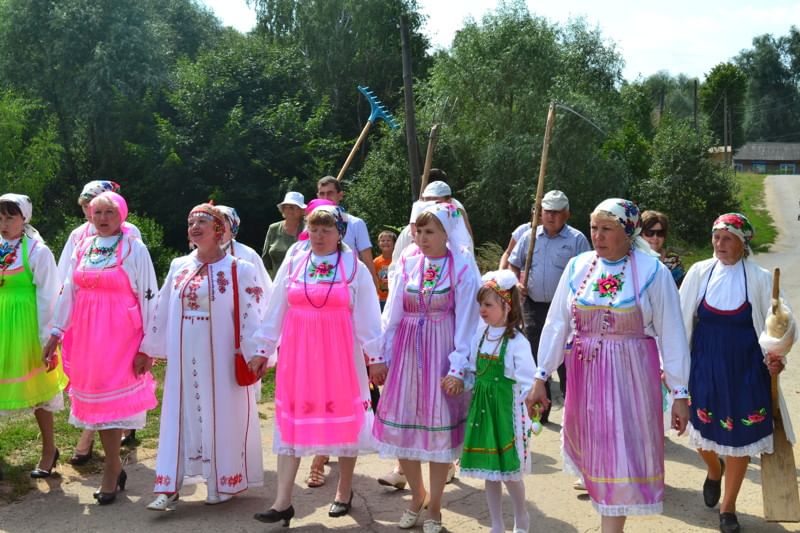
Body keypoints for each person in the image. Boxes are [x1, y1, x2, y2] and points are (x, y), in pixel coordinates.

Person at [525, 198, 690, 533]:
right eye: (593, 228)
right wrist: (541, 376)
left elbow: (673, 334)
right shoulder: (578, 267)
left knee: (618, 456)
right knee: (596, 456)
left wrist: (680, 393)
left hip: (629, 378)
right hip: (586, 378)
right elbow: (558, 324)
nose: (597, 236)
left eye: (606, 229)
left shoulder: (652, 272)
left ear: (627, 232)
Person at [251, 204, 383, 526]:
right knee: (292, 421)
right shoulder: (296, 259)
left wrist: (376, 357)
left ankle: (344, 490)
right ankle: (283, 502)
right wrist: (262, 348)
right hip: (298, 354)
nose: (319, 235)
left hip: (339, 355)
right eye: (314, 229)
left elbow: (368, 316)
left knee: (344, 421)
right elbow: (276, 306)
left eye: (327, 230)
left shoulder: (353, 266)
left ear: (340, 233)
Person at [142, 203, 268, 511]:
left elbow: (253, 313)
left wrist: (257, 352)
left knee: (221, 413)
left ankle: (221, 482)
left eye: (202, 222)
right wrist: (150, 349)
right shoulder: (178, 266)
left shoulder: (240, 269)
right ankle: (169, 485)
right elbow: (161, 307)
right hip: (185, 353)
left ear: (220, 230)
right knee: (179, 413)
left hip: (222, 355)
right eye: (191, 223)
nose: (195, 227)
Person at [679, 213, 795, 533]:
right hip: (705, 368)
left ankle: (728, 508)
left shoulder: (759, 279)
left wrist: (776, 355)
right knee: (702, 433)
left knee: (740, 438)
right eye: (716, 237)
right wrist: (673, 368)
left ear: (743, 243)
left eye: (728, 238)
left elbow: (782, 323)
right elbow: (679, 319)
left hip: (746, 371)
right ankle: (713, 470)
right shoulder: (699, 273)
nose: (720, 244)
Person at [44, 191, 158, 505]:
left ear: (121, 215)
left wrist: (147, 347)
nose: (103, 218)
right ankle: (114, 464)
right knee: (97, 401)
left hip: (121, 334)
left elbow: (150, 296)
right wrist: (55, 333)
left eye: (109, 212)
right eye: (98, 212)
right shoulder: (83, 246)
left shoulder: (134, 248)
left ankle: (111, 466)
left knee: (112, 402)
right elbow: (69, 291)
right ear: (90, 216)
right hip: (86, 334)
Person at [373, 203, 480, 533]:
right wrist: (382, 354)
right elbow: (393, 311)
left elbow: (466, 321)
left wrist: (458, 366)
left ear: (447, 233)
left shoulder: (461, 267)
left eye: (430, 232)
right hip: (407, 350)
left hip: (441, 351)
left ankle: (435, 506)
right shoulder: (406, 260)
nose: (421, 238)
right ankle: (416, 494)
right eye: (418, 231)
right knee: (402, 425)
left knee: (438, 433)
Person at [57, 180, 142, 464]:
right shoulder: (79, 238)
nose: (97, 215)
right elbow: (66, 280)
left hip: (116, 326)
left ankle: (96, 446)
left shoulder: (130, 239)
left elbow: (143, 287)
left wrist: (148, 341)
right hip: (84, 323)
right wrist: (57, 326)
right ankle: (100, 443)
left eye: (107, 209)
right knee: (89, 382)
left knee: (110, 382)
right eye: (89, 207)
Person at [456, 270, 535, 533]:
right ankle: (496, 523)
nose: (482, 310)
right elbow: (473, 371)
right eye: (481, 304)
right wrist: (460, 382)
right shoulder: (479, 338)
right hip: (482, 411)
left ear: (506, 306)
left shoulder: (516, 341)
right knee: (489, 472)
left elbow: (527, 381)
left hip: (506, 413)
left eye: (488, 304)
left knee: (510, 473)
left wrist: (529, 413)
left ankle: (521, 518)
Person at [508, 190, 590, 423]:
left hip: (565, 310)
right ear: (540, 213)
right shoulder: (530, 236)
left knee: (566, 359)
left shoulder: (577, 240)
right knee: (535, 355)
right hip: (534, 305)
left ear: (567, 214)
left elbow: (588, 272)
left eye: (556, 212)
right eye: (547, 212)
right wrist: (516, 283)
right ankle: (538, 413)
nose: (551, 217)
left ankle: (572, 412)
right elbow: (513, 264)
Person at [0, 194, 66, 478]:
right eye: (0, 217)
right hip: (2, 324)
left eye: (10, 217)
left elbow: (49, 297)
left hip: (26, 327)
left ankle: (49, 450)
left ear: (24, 218)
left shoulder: (38, 251)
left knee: (38, 392)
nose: (3, 223)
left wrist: (46, 339)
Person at [316, 176, 378, 281]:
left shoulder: (356, 223)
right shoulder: (310, 227)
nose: (326, 197)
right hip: (318, 284)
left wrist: (374, 289)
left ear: (340, 195)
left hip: (349, 284)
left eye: (330, 193)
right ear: (317, 197)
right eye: (322, 194)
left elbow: (367, 261)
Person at [216, 204, 272, 319]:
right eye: (214, 222)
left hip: (243, 316)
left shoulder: (248, 254)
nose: (218, 227)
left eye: (222, 222)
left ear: (232, 228)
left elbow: (265, 289)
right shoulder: (200, 255)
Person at [261, 191, 305, 278]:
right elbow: (265, 260)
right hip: (276, 283)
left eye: (293, 207)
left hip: (300, 283)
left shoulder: (308, 229)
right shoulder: (273, 228)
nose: (289, 210)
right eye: (286, 207)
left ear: (301, 211)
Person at [641, 210, 685, 286]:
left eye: (660, 233)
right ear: (640, 234)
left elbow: (680, 291)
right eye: (649, 233)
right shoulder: (632, 259)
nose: (655, 237)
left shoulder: (674, 260)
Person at [374, 230, 397, 311]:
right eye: (382, 241)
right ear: (379, 244)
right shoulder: (376, 262)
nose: (385, 242)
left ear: (394, 244)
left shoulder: (397, 260)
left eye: (388, 240)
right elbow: (374, 279)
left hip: (394, 298)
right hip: (380, 299)